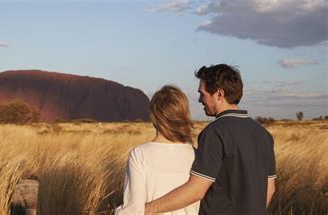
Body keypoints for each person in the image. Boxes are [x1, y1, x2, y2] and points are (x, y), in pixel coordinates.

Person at [145, 64, 277, 214]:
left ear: (219, 94)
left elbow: (196, 190)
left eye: (203, 94)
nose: (200, 100)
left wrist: (144, 210)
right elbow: (270, 188)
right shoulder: (263, 134)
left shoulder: (215, 132)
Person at [115, 85, 199, 215]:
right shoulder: (196, 155)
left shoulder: (139, 155)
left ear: (154, 116)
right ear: (183, 115)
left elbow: (133, 209)